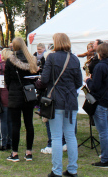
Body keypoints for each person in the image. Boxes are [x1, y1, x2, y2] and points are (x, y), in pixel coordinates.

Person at [37, 33, 82, 177]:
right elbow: (79, 82)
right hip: (70, 100)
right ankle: (72, 170)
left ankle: (57, 171)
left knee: (56, 137)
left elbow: (44, 79)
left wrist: (36, 83)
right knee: (70, 137)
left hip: (56, 100)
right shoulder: (74, 59)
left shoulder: (52, 57)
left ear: (56, 43)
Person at [86, 42, 108, 169]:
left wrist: (88, 80)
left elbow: (94, 87)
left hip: (101, 102)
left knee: (103, 132)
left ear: (100, 53)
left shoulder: (100, 66)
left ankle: (106, 159)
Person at [4, 37, 39, 162]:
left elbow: (7, 79)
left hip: (15, 93)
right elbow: (35, 78)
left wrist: (12, 88)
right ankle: (28, 152)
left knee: (16, 125)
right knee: (29, 123)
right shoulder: (32, 59)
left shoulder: (10, 60)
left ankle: (14, 153)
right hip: (28, 94)